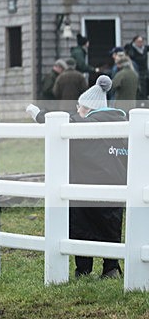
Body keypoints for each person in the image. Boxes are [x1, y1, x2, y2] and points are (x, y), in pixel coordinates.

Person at [26, 75, 128, 278]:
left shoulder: (85, 125)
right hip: (116, 189)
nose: (77, 111)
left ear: (89, 109)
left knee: (82, 228)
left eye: (80, 108)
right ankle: (111, 267)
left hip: (84, 188)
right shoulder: (122, 124)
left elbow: (62, 122)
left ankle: (83, 269)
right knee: (111, 228)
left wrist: (38, 114)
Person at [125, 35, 148, 100]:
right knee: (139, 87)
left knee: (145, 86)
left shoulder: (144, 49)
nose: (140, 43)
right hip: (135, 70)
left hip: (144, 70)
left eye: (141, 41)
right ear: (135, 42)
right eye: (138, 41)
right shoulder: (131, 48)